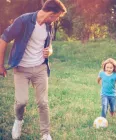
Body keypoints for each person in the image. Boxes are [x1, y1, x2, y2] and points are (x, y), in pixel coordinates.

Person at [0, 0, 67, 139]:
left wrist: (50, 52)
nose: (57, 19)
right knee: (21, 101)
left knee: (43, 102)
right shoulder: (23, 21)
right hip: (21, 68)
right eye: (57, 16)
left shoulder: (49, 25)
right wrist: (0, 65)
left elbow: (49, 46)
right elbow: (4, 39)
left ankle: (45, 134)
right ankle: (18, 120)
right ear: (51, 13)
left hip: (40, 68)